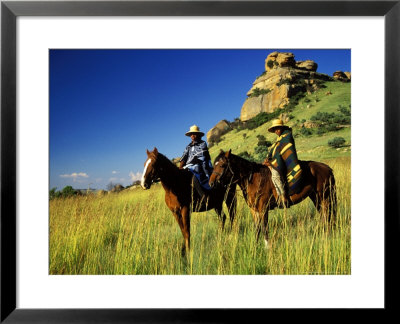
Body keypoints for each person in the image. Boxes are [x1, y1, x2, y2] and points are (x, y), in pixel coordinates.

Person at [263, 119, 302, 206]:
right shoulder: (279, 139)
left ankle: (283, 195)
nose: (276, 131)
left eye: (278, 128)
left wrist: (272, 163)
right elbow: (274, 152)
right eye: (274, 129)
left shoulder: (287, 136)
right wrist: (268, 159)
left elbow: (281, 153)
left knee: (275, 174)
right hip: (278, 161)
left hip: (285, 162)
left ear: (282, 127)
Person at [179, 125, 213, 198]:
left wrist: (190, 165)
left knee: (195, 178)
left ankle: (205, 196)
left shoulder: (202, 143)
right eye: (191, 134)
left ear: (198, 135)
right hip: (189, 166)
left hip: (201, 165)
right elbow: (184, 156)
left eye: (194, 134)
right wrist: (181, 166)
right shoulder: (188, 146)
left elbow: (201, 156)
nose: (192, 136)